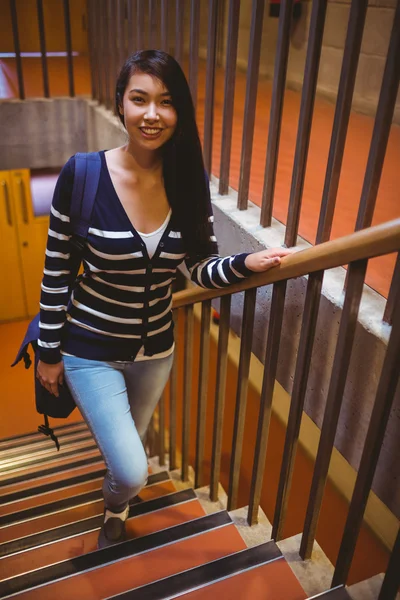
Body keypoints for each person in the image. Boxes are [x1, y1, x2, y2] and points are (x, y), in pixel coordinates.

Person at [36, 50, 291, 549]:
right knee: (132, 469)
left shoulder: (187, 182)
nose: (152, 114)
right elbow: (57, 272)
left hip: (156, 352)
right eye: (140, 99)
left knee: (134, 444)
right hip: (89, 348)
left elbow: (197, 266)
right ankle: (119, 498)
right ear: (121, 105)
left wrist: (245, 265)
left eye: (166, 102)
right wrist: (48, 354)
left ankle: (116, 508)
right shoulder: (82, 175)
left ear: (180, 112)